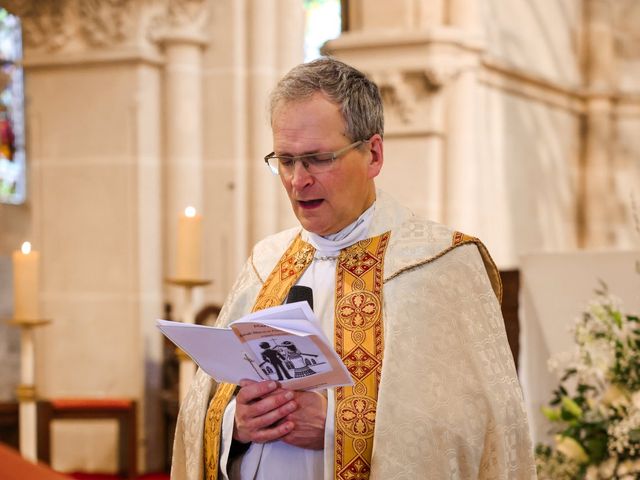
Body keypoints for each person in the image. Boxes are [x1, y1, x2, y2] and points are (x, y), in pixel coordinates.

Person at [171, 57, 536, 480]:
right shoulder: (265, 262)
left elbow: (477, 432)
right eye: (285, 161)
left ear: (374, 154)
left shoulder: (440, 265)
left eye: (318, 159)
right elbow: (203, 405)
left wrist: (336, 428)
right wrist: (237, 423)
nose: (297, 180)